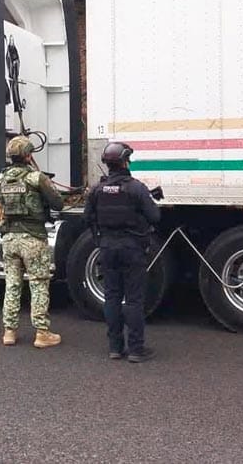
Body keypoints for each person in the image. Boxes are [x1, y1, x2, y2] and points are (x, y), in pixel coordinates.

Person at [84, 142, 161, 363]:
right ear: (125, 161)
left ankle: (115, 347)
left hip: (107, 248)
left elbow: (87, 218)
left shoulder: (97, 190)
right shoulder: (136, 188)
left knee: (112, 297)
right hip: (132, 248)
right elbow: (154, 217)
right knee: (134, 300)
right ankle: (136, 350)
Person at [0, 136, 64, 348]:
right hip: (33, 238)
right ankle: (42, 333)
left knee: (12, 284)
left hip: (9, 239)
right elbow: (58, 203)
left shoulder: (1, 178)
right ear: (29, 155)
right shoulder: (36, 177)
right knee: (38, 283)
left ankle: (9, 332)